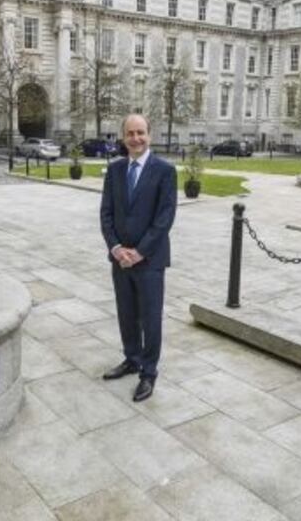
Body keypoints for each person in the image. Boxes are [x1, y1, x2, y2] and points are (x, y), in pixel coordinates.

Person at [99, 113, 177, 402]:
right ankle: (131, 359)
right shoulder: (116, 170)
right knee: (127, 314)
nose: (136, 138)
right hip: (120, 260)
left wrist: (140, 251)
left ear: (149, 135)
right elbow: (106, 214)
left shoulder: (164, 171)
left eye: (140, 132)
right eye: (130, 133)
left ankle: (148, 372)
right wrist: (117, 248)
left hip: (150, 261)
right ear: (123, 137)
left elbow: (165, 218)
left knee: (150, 318)